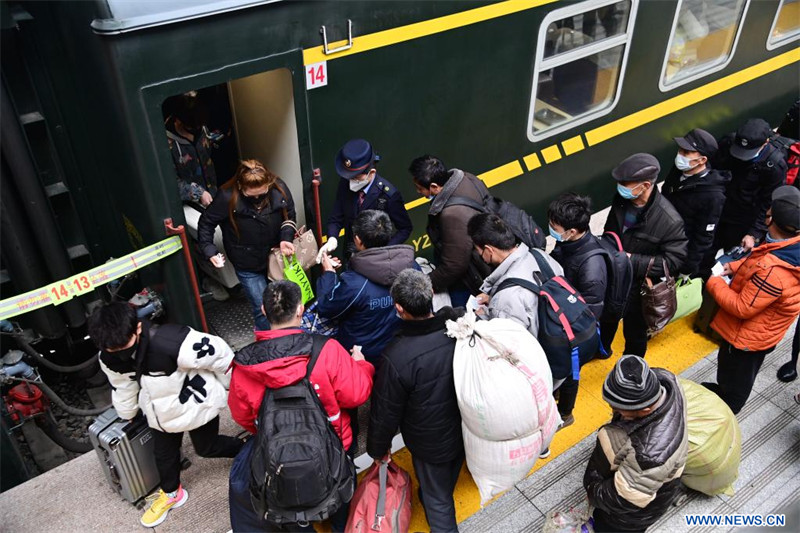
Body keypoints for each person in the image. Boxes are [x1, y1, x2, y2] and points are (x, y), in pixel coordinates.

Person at [227, 281, 374, 532]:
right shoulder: (325, 350)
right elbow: (358, 394)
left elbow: (243, 417)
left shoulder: (245, 366)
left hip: (277, 457)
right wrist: (362, 365)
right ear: (300, 310)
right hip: (334, 447)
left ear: (263, 309)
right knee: (340, 501)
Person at [87, 302, 242, 528]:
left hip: (195, 404)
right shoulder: (109, 357)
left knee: (207, 447)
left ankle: (248, 449)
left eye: (125, 345)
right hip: (159, 413)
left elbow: (220, 357)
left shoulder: (172, 341)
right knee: (164, 455)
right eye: (113, 350)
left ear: (138, 328)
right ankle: (171, 493)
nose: (120, 353)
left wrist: (232, 388)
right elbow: (123, 385)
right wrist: (127, 412)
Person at [368, 269, 464, 533]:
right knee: (447, 475)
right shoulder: (458, 328)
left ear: (399, 308)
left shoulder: (396, 356)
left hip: (429, 441)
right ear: (432, 295)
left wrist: (378, 449)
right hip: (466, 426)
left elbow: (385, 411)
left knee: (438, 500)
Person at [468, 212, 583, 427]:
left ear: (489, 250)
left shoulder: (507, 298)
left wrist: (481, 316)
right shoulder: (541, 256)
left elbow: (510, 350)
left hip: (542, 364)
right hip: (566, 343)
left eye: (477, 250)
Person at [701, 186, 800, 414]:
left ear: (771, 219)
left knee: (734, 386)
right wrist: (735, 266)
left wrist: (713, 279)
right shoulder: (787, 246)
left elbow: (742, 307)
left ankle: (722, 412)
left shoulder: (773, 272)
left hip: (746, 340)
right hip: (763, 332)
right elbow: (760, 258)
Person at [584, 355, 688, 532]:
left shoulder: (649, 455)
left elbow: (624, 498)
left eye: (618, 409)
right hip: (654, 480)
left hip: (629, 518)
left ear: (644, 410)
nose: (613, 411)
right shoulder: (665, 380)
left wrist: (594, 492)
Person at [601, 153, 688, 357]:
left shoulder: (669, 221)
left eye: (626, 183)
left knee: (635, 333)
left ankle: (632, 365)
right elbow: (610, 231)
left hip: (638, 289)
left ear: (646, 185)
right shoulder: (622, 200)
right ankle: (603, 349)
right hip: (615, 277)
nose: (621, 187)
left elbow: (674, 260)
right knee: (607, 320)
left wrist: (632, 260)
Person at [198, 159, 296, 331]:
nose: (258, 198)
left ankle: (286, 339)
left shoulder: (279, 188)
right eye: (252, 196)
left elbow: (290, 215)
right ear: (240, 186)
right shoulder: (226, 196)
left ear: (269, 183)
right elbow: (206, 223)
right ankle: (268, 344)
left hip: (276, 257)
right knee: (262, 308)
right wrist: (209, 250)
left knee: (283, 304)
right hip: (247, 263)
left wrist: (286, 237)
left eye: (262, 192)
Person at [316, 210, 417, 364]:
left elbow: (326, 307)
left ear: (357, 240)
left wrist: (329, 274)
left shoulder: (354, 283)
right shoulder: (412, 266)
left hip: (362, 357)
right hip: (401, 350)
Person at [410, 154, 491, 306]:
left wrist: (427, 283)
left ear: (434, 187)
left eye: (420, 188)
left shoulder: (451, 215)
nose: (418, 192)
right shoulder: (467, 178)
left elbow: (455, 265)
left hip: (467, 280)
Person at [318, 139, 412, 259]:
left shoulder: (388, 195)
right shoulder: (345, 183)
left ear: (371, 172)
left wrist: (385, 251)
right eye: (349, 177)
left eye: (355, 177)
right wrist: (332, 238)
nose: (351, 181)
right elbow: (336, 217)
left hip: (377, 258)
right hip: (351, 254)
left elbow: (405, 228)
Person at [711, 118, 787, 255]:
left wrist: (753, 233)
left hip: (741, 219)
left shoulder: (774, 167)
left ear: (765, 143)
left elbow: (768, 203)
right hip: (717, 206)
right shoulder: (728, 143)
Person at [662, 128, 731, 278]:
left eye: (686, 152)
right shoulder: (678, 171)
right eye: (680, 150)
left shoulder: (713, 196)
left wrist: (687, 268)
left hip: (677, 251)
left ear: (702, 160)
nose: (680, 155)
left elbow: (703, 238)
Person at [548, 193, 608, 319]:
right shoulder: (566, 241)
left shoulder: (592, 269)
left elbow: (589, 312)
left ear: (572, 232)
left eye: (554, 228)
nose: (551, 229)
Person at [163, 93, 218, 207]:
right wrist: (197, 193)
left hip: (212, 190)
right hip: (189, 203)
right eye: (190, 128)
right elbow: (169, 182)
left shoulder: (200, 126)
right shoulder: (165, 144)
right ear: (178, 121)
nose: (195, 131)